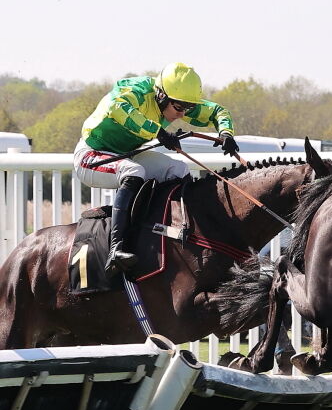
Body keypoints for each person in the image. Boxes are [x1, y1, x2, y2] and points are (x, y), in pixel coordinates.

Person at [73, 62, 238, 276]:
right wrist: (158, 132)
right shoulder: (139, 90)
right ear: (161, 95)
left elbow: (217, 111)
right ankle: (116, 248)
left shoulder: (174, 99)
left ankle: (178, 237)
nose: (182, 114)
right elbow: (117, 106)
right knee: (133, 172)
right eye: (179, 108)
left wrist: (226, 132)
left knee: (178, 169)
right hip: (91, 156)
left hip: (128, 155)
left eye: (187, 109)